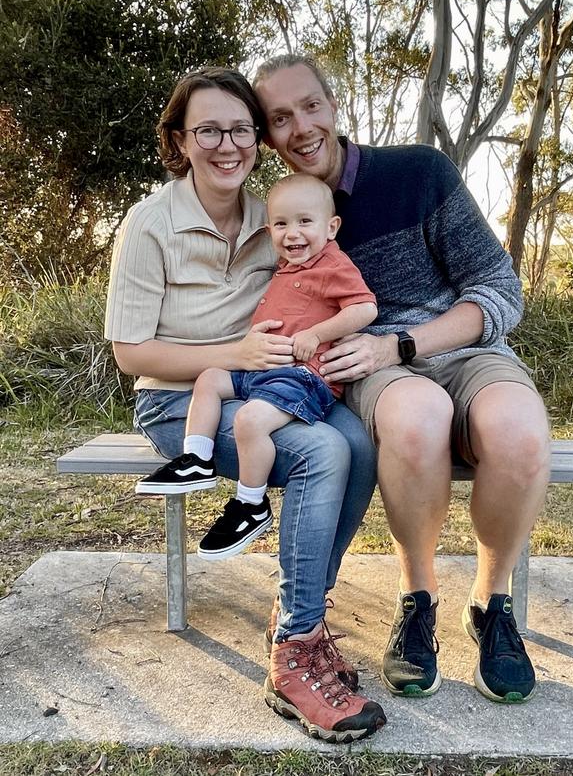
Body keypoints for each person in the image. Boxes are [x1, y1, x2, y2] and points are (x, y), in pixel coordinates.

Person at [254, 54, 551, 705]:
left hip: (461, 347)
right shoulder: (282, 218)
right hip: (370, 372)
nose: (300, 127)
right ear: (268, 136)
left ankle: (491, 602)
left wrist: (404, 342)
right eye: (280, 118)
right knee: (416, 418)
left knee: (521, 431)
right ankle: (418, 598)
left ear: (333, 106)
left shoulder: (420, 173)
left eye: (310, 106)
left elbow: (499, 289)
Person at [104, 66, 386, 742]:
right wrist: (232, 353)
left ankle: (302, 609)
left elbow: (327, 288)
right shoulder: (149, 225)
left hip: (273, 386)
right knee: (321, 451)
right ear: (180, 139)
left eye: (239, 129)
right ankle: (294, 656)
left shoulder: (277, 217)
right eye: (208, 130)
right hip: (183, 400)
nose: (226, 144)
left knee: (361, 442)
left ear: (257, 139)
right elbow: (132, 353)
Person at [136, 172, 378, 561]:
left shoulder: (334, 264)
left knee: (249, 422)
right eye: (281, 224)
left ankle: (251, 503)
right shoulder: (288, 264)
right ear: (269, 230)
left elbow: (365, 308)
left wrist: (317, 334)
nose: (292, 233)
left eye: (305, 222)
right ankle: (196, 460)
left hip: (303, 378)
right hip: (264, 371)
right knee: (210, 379)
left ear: (332, 228)